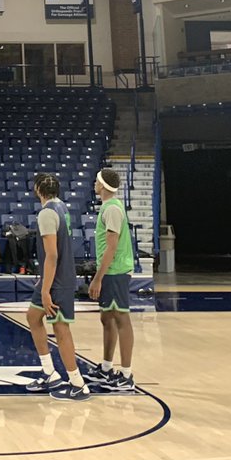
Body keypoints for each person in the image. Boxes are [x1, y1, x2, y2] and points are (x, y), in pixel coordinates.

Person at [24, 172, 90, 401]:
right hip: (56, 276)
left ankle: (78, 383)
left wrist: (45, 289)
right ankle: (49, 373)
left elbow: (52, 254)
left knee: (61, 329)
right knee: (33, 317)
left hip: (58, 280)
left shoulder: (46, 213)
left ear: (37, 190)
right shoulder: (61, 206)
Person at [85, 168, 136, 392]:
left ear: (103, 185)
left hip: (115, 271)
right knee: (107, 318)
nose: (94, 184)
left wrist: (97, 278)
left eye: (97, 181)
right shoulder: (108, 207)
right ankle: (106, 367)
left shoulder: (113, 209)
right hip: (110, 271)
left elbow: (112, 247)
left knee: (121, 319)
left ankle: (126, 374)